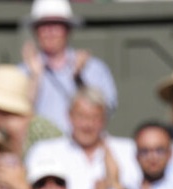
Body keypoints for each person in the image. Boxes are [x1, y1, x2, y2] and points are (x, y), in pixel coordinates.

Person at [18, 0, 117, 135]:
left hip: (84, 147)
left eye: (56, 25)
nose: (50, 32)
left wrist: (79, 79)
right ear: (35, 31)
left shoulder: (93, 69)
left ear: (68, 30)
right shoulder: (23, 71)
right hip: (42, 149)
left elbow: (105, 111)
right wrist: (35, 77)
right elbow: (18, 115)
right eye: (44, 26)